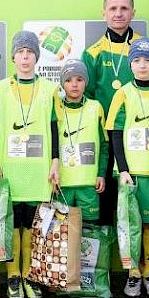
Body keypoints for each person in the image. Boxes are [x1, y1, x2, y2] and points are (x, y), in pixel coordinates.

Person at [82, 0, 149, 227]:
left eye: (124, 8)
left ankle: (140, 260)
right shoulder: (92, 53)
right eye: (113, 8)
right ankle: (109, 260)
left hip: (143, 142)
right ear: (104, 13)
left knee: (142, 206)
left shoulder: (146, 49)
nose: (118, 13)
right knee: (106, 200)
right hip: (108, 140)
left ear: (133, 12)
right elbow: (84, 98)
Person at [0, 31, 60, 298]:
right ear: (13, 56)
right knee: (12, 224)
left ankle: (30, 275)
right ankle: (12, 276)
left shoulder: (50, 89)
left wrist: (55, 163)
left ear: (37, 56)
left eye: (30, 52)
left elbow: (55, 129)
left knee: (33, 227)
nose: (25, 57)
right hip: (11, 171)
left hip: (39, 171)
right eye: (20, 52)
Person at [105, 38, 149, 298]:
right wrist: (123, 169)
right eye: (136, 60)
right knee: (130, 225)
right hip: (131, 173)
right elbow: (115, 133)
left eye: (147, 60)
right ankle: (133, 273)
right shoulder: (123, 93)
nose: (142, 65)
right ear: (130, 64)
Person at [56, 60, 108, 224]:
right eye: (69, 80)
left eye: (79, 79)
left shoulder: (95, 107)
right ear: (62, 84)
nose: (74, 85)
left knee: (89, 234)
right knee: (62, 233)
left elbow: (104, 145)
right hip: (62, 184)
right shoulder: (55, 108)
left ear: (86, 82)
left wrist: (101, 173)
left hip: (88, 183)